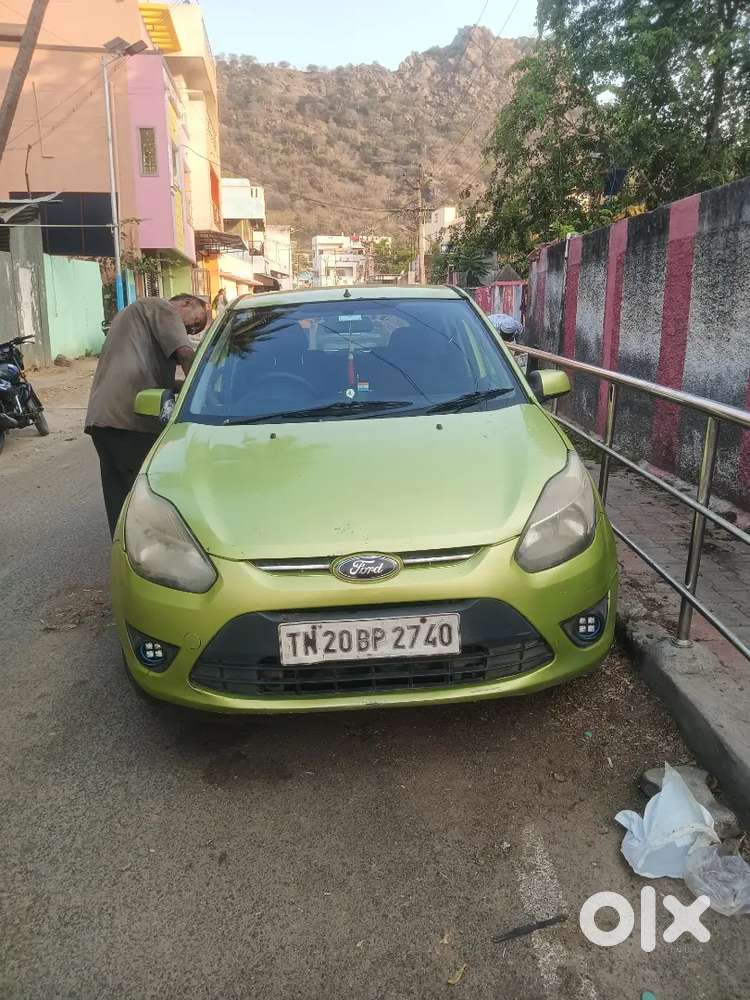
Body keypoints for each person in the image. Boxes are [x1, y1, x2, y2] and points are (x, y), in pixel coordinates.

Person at [85, 294, 208, 536]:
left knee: (120, 499)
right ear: (186, 303)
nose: (191, 330)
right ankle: (150, 559)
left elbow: (143, 372)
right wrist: (204, 390)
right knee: (148, 500)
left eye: (195, 329)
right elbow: (185, 354)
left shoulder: (133, 314)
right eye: (195, 322)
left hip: (103, 418)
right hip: (131, 418)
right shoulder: (161, 307)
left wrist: (179, 386)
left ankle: (124, 552)